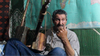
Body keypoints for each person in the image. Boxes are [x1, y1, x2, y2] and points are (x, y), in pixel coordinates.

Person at [4, 9, 80, 56]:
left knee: (58, 51)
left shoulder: (71, 35)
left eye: (63, 20)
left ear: (66, 21)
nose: (60, 23)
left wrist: (64, 39)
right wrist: (32, 48)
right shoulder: (48, 32)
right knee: (13, 42)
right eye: (57, 19)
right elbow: (42, 50)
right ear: (53, 21)